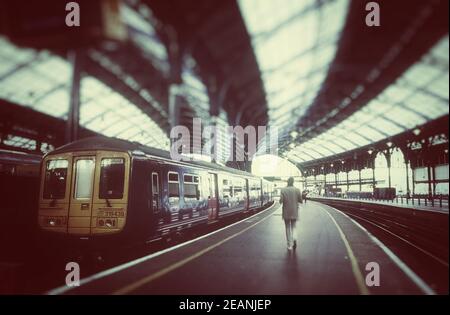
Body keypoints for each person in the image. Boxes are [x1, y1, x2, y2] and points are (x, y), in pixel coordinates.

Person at [279, 177, 303, 250]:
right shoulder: (297, 190)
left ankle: (289, 245)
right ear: (293, 182)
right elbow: (301, 201)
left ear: (287, 182)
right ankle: (294, 238)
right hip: (294, 211)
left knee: (287, 227)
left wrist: (282, 199)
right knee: (294, 226)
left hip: (286, 211)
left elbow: (281, 201)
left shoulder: (283, 190)